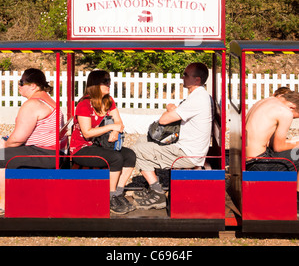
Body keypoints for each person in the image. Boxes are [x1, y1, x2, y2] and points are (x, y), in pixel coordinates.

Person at [132, 62, 212, 210]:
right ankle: (154, 188)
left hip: (187, 153)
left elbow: (164, 120)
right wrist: (172, 109)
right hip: (190, 148)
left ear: (197, 80)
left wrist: (169, 108)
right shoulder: (199, 96)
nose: (183, 77)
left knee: (136, 151)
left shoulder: (197, 98)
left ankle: (158, 194)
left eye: (186, 75)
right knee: (142, 140)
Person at [69, 69, 136, 215]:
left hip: (99, 145)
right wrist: (111, 127)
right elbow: (87, 133)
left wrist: (115, 131)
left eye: (109, 80)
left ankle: (118, 192)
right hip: (81, 149)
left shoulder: (108, 101)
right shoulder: (84, 105)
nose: (108, 84)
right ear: (95, 84)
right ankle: (110, 197)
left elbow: (119, 122)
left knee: (130, 155)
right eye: (105, 81)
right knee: (115, 158)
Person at [0, 68, 65, 215]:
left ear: (33, 86)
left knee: (0, 156)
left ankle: (3, 204)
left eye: (21, 82)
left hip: (42, 154)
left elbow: (17, 139)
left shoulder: (33, 104)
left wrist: (5, 144)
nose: (19, 86)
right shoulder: (50, 102)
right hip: (51, 153)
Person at [246, 92, 299, 187]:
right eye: (295, 117)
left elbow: (270, 142)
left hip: (246, 161)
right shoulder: (285, 112)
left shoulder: (267, 101)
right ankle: (297, 196)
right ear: (292, 107)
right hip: (259, 164)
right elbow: (278, 147)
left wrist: (291, 142)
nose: (292, 118)